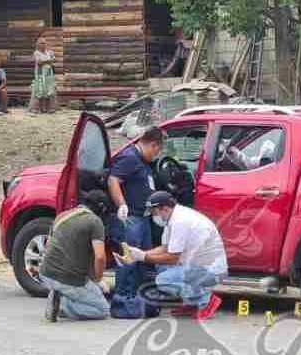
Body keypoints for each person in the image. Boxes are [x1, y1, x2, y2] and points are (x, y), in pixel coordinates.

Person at [119, 191, 228, 321]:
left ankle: (205, 300)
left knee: (164, 281)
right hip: (197, 266)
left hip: (211, 271)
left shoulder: (180, 221)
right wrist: (138, 253)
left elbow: (172, 258)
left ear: (164, 209)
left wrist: (143, 257)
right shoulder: (173, 218)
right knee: (160, 267)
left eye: (154, 212)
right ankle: (191, 304)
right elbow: (165, 247)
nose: (154, 217)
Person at [40, 190, 112, 322]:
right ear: (101, 208)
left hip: (46, 274)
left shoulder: (62, 216)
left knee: (90, 291)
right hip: (69, 279)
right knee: (102, 310)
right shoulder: (95, 221)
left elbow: (47, 246)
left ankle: (59, 293)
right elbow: (100, 257)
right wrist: (98, 280)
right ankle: (62, 305)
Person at [107, 126, 163, 294]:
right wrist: (122, 205)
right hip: (131, 219)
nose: (156, 155)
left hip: (143, 218)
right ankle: (123, 298)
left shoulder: (142, 161)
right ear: (152, 145)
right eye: (156, 151)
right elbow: (113, 180)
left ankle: (138, 297)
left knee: (143, 260)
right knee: (128, 261)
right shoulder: (130, 157)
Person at [29, 37, 57, 114]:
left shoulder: (49, 52)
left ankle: (48, 108)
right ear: (38, 44)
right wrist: (49, 61)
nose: (43, 45)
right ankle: (40, 108)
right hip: (40, 73)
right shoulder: (36, 53)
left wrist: (47, 61)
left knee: (49, 90)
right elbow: (39, 62)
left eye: (44, 43)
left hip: (48, 73)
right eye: (41, 43)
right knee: (40, 90)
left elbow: (54, 60)